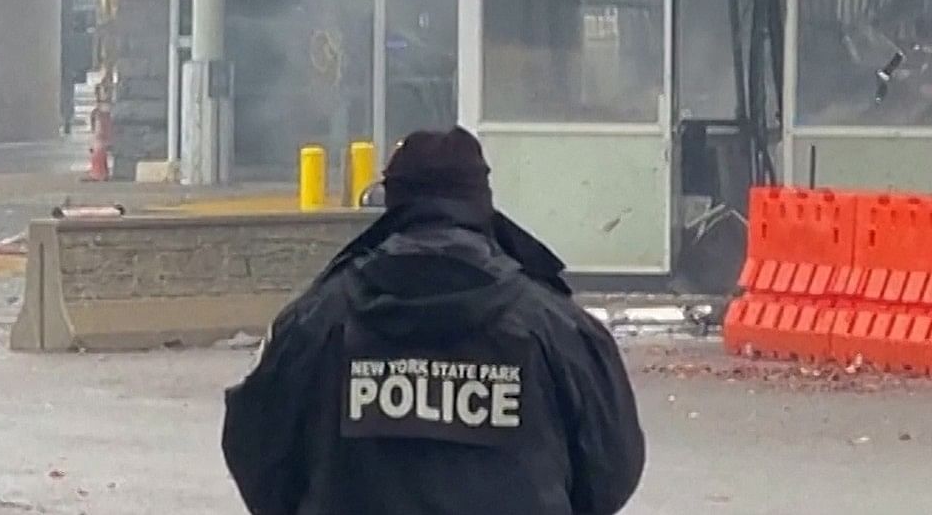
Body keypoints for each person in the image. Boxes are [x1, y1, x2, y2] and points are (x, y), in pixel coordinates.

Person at [223, 127, 646, 515]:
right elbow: (612, 466)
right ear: (480, 197)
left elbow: (260, 454)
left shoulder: (317, 321)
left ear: (394, 201)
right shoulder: (555, 327)